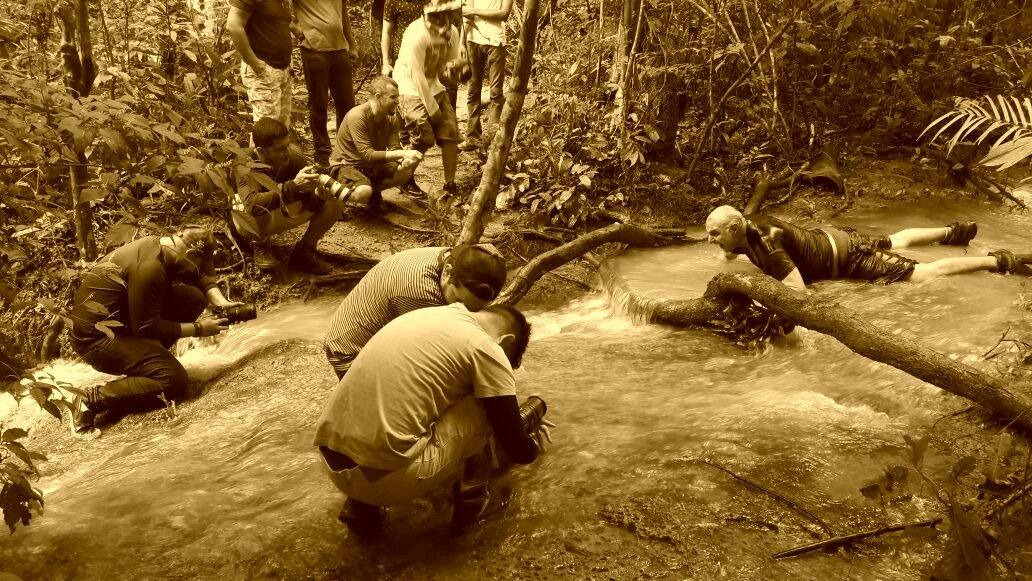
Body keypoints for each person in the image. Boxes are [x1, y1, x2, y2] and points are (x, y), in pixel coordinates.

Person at [314, 303, 552, 533]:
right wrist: (525, 428)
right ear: (506, 341)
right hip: (383, 482)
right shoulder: (487, 347)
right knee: (482, 405)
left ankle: (362, 508)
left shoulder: (430, 315)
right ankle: (474, 501)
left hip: (332, 463)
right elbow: (518, 450)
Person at [67, 227, 240, 433]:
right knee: (173, 382)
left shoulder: (163, 246)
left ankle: (150, 364)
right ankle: (88, 400)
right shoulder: (150, 268)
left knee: (193, 298)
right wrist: (198, 328)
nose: (197, 270)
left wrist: (221, 302)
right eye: (200, 263)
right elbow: (147, 328)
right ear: (192, 254)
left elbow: (199, 275)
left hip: (120, 323)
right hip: (95, 340)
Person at [705, 205, 1029, 290]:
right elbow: (729, 253)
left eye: (715, 234)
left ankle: (998, 260)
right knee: (894, 240)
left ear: (734, 228)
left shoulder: (768, 243)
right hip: (834, 237)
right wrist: (725, 255)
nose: (711, 240)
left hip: (849, 258)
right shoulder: (743, 226)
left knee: (922, 274)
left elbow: (798, 293)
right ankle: (953, 233)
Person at [323, 244, 507, 378]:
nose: (462, 312)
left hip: (376, 334)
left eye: (472, 309)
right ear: (448, 274)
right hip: (350, 353)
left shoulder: (455, 258)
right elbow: (435, 357)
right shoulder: (421, 294)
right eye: (459, 302)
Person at [230, 117, 373, 274]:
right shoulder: (245, 162)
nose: (286, 152)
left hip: (279, 211)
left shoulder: (293, 156)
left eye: (287, 145)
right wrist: (293, 186)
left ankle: (305, 251)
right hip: (247, 219)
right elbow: (251, 205)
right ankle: (261, 245)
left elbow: (308, 201)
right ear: (261, 151)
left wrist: (319, 196)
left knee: (333, 201)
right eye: (279, 149)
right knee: (257, 206)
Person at [392, 0, 463, 200]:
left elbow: (448, 66)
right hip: (409, 86)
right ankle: (403, 179)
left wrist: (458, 68)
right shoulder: (416, 34)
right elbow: (417, 76)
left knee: (450, 132)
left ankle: (450, 183)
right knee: (423, 137)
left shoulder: (453, 32)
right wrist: (432, 110)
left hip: (433, 85)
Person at [328, 76, 424, 201]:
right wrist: (403, 153)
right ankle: (332, 197)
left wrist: (404, 160)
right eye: (393, 97)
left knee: (406, 171)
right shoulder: (357, 116)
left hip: (371, 166)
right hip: (347, 166)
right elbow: (367, 154)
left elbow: (394, 147)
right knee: (363, 192)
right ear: (378, 96)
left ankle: (372, 190)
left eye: (397, 97)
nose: (397, 101)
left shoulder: (391, 117)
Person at [292, 0, 358, 166]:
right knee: (318, 104)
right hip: (314, 50)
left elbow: (343, 15)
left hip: (340, 49)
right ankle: (322, 153)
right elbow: (279, 7)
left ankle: (345, 149)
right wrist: (295, 28)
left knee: (347, 104)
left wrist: (352, 44)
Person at [226, 0, 293, 126]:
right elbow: (233, 26)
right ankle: (259, 147)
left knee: (281, 126)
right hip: (263, 70)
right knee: (266, 127)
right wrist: (255, 63)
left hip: (283, 68)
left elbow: (275, 22)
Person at [458, 0, 512, 151]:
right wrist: (461, 43)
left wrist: (475, 11)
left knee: (496, 93)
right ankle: (472, 137)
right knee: (473, 90)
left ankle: (491, 141)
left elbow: (504, 14)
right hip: (473, 41)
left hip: (495, 42)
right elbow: (466, 16)